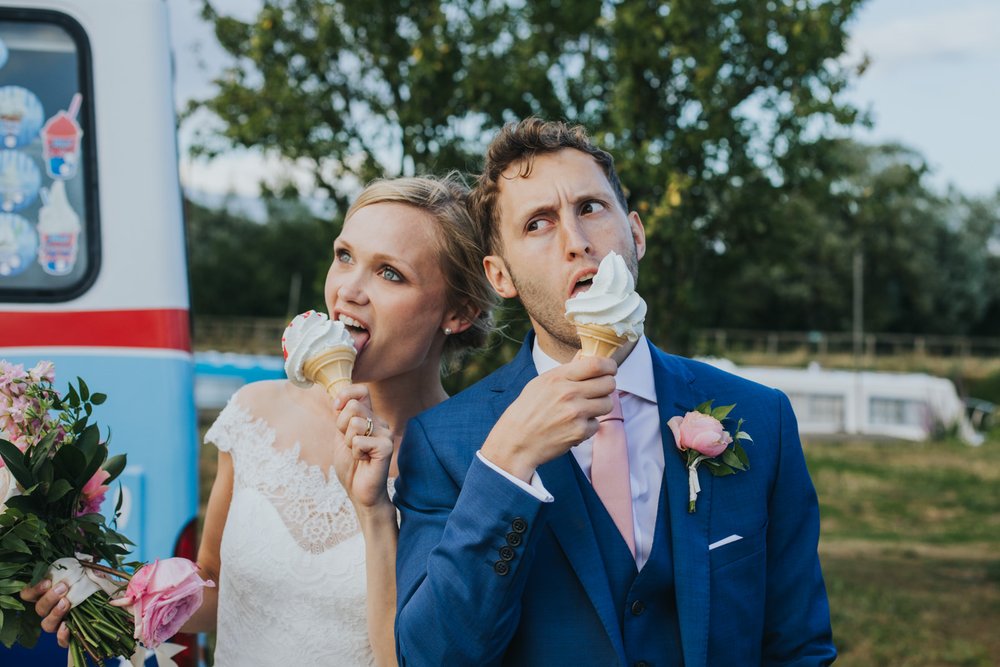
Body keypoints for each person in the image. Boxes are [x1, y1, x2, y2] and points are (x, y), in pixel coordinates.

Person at [393, 119, 837, 665]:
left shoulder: (762, 417)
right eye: (538, 223)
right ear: (500, 275)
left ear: (637, 235)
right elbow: (432, 656)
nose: (576, 242)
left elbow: (798, 646)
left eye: (590, 209)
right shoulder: (441, 444)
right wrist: (507, 465)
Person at [21, 174, 496, 666]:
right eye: (345, 256)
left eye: (390, 273)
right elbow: (215, 586)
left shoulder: (479, 466)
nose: (349, 290)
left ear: (459, 311)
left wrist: (374, 512)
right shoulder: (256, 412)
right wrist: (101, 596)